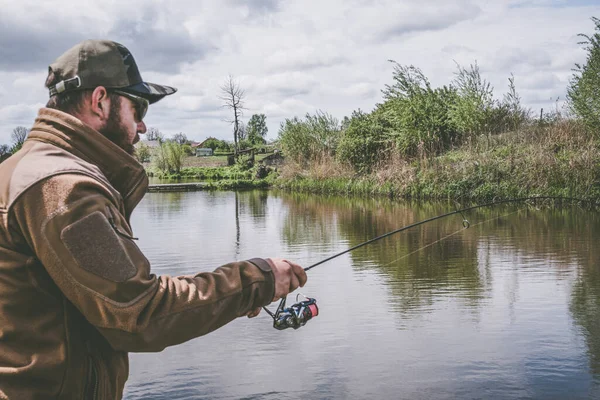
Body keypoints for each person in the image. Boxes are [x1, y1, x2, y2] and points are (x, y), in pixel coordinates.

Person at [0, 40, 307, 399]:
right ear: (99, 101)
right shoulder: (63, 189)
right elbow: (140, 313)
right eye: (138, 107)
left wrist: (234, 296)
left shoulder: (19, 170)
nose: (143, 126)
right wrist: (259, 279)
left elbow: (119, 293)